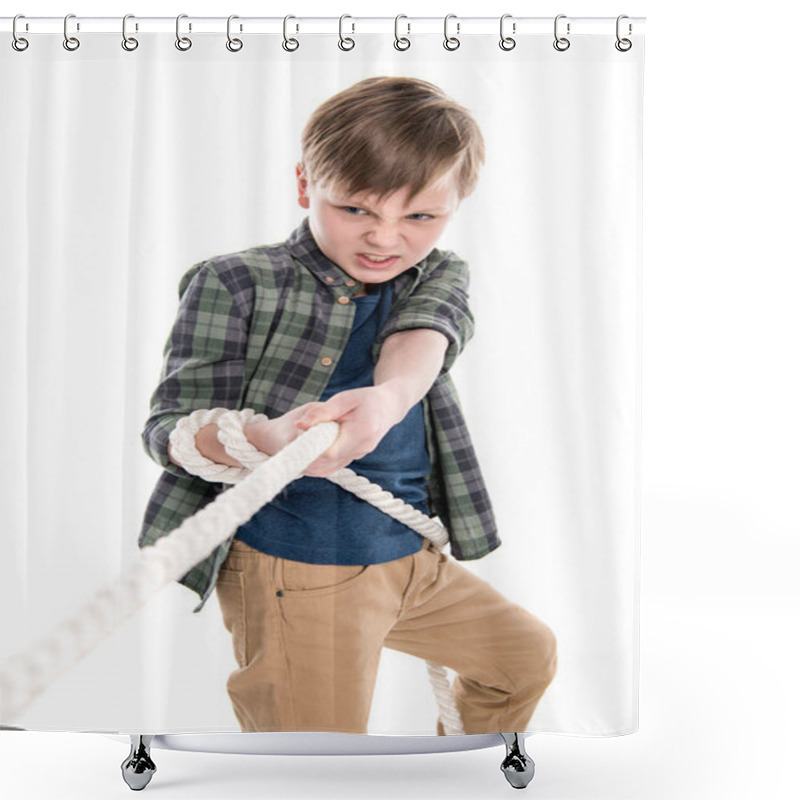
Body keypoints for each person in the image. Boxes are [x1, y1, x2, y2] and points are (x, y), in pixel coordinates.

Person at [139, 76, 557, 735]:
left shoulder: (437, 274)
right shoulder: (235, 282)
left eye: (420, 216)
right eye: (356, 210)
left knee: (522, 658)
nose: (385, 239)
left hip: (405, 557)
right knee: (321, 761)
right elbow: (169, 430)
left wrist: (387, 398)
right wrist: (265, 438)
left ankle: (452, 779)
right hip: (298, 568)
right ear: (306, 185)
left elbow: (424, 337)